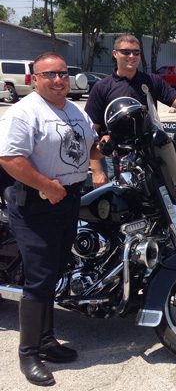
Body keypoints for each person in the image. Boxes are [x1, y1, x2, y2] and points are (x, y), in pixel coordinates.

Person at [0, 52, 102, 386]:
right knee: (40, 276)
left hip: (68, 199)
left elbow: (91, 145)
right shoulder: (24, 113)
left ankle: (47, 341)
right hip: (36, 202)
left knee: (56, 269)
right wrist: (47, 185)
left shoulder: (74, 110)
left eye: (62, 73)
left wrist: (102, 158)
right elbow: (10, 158)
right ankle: (28, 353)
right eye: (49, 75)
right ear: (34, 79)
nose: (58, 80)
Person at [85, 34, 176, 188]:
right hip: (115, 157)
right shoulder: (102, 87)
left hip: (150, 154)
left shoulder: (151, 81)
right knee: (119, 204)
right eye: (126, 52)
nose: (132, 56)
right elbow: (90, 133)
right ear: (115, 54)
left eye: (136, 53)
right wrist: (97, 171)